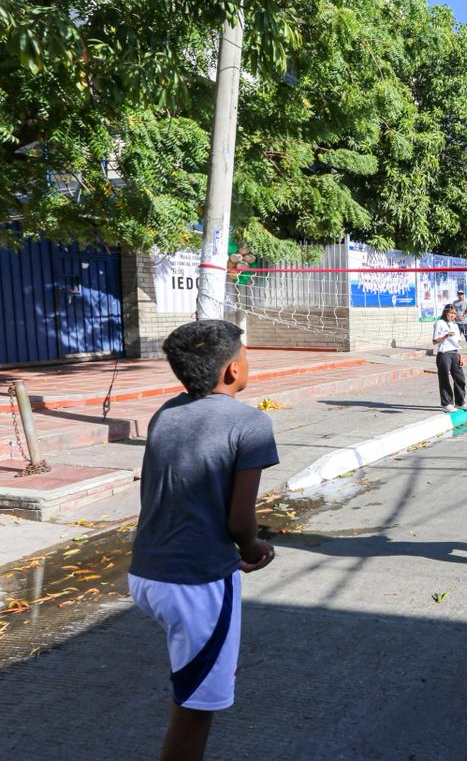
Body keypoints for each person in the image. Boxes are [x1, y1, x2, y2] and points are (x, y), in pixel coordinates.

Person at [128, 320, 278, 760]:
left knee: (190, 685)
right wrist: (254, 549)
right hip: (196, 583)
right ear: (232, 371)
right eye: (246, 354)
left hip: (146, 573)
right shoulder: (250, 424)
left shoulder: (166, 413)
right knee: (196, 707)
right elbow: (238, 521)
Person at [433, 304, 466, 413]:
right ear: (445, 312)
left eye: (454, 314)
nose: (453, 315)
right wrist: (446, 336)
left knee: (460, 378)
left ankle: (460, 402)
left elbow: (458, 342)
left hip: (454, 353)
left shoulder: (455, 325)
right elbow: (434, 341)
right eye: (451, 313)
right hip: (444, 353)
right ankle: (447, 403)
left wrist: (460, 355)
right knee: (444, 379)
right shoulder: (439, 323)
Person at [451, 289, 467, 355]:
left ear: (463, 295)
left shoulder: (466, 302)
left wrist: (463, 316)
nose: (460, 295)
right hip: (457, 323)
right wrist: (456, 317)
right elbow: (453, 311)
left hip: (465, 323)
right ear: (457, 295)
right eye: (459, 294)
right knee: (455, 337)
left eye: (461, 294)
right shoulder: (455, 303)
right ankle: (454, 350)